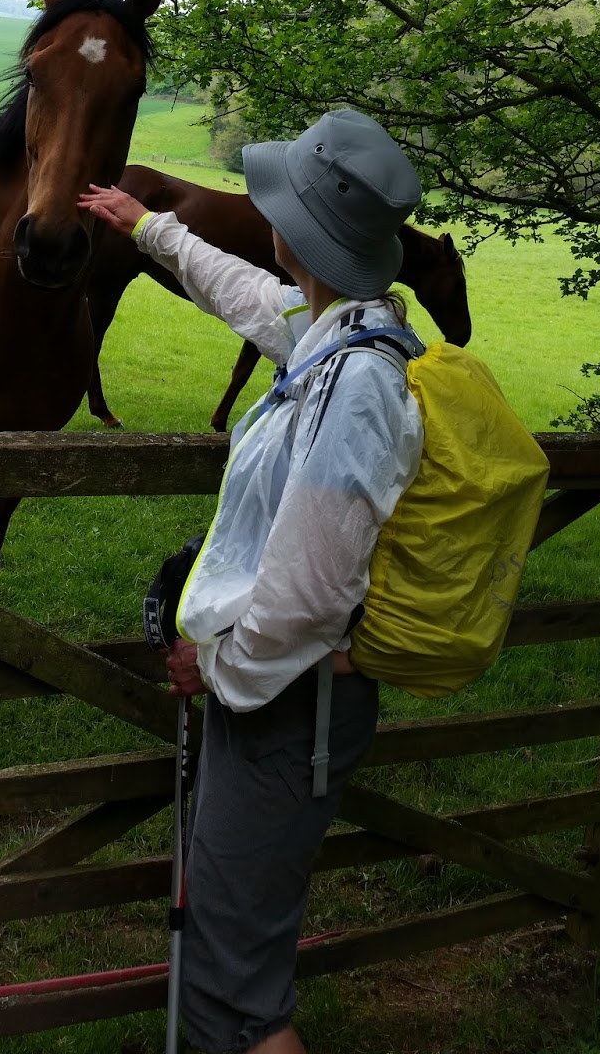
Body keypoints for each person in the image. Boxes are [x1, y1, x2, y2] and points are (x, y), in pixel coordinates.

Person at [78, 109, 425, 1054]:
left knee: (236, 983)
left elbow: (310, 591)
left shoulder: (354, 387)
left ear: (298, 234)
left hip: (288, 706)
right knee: (227, 960)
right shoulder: (332, 333)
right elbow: (240, 291)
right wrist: (146, 226)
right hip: (282, 699)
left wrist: (217, 668)